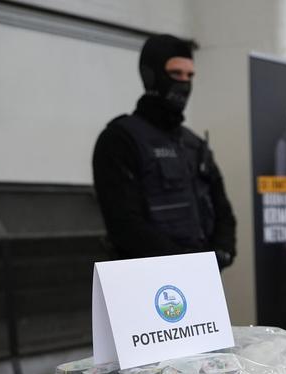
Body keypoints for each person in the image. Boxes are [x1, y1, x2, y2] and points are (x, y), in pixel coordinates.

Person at [91, 34, 236, 268]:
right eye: (176, 74)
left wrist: (221, 251)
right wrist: (185, 262)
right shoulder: (120, 140)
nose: (184, 84)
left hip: (202, 277)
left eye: (190, 76)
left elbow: (223, 211)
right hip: (148, 278)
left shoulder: (194, 145)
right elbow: (124, 224)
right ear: (151, 76)